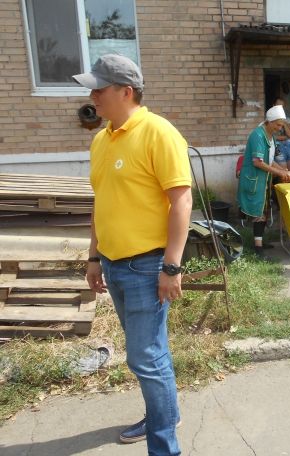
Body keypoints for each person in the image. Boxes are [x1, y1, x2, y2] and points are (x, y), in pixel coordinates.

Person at [73, 54, 191, 455]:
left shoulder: (159, 132)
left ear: (126, 92)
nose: (92, 96)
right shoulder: (101, 140)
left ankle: (164, 446)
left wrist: (171, 265)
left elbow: (181, 200)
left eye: (99, 89)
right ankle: (163, 415)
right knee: (150, 354)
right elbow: (101, 202)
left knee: (145, 358)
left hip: (146, 266)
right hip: (113, 263)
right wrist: (94, 257)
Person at [237, 105, 290, 259]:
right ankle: (258, 249)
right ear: (269, 121)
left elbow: (270, 160)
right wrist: (281, 172)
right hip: (254, 180)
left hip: (263, 181)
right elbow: (258, 162)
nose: (280, 128)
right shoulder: (258, 135)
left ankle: (260, 242)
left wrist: (283, 171)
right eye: (278, 125)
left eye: (281, 125)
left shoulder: (271, 136)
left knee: (264, 210)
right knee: (259, 213)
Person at [272, 97, 290, 175]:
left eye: (282, 107)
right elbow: (271, 136)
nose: (280, 109)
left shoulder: (287, 119)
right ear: (273, 105)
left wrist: (283, 121)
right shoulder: (270, 119)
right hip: (278, 146)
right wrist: (283, 137)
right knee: (283, 173)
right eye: (278, 106)